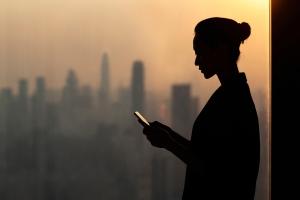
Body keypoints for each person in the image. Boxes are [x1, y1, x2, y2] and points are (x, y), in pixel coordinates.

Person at [137, 17, 260, 200]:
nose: (196, 61)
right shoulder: (232, 95)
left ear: (220, 49)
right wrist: (170, 135)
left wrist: (169, 143)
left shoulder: (232, 101)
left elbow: (215, 172)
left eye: (200, 52)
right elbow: (207, 155)